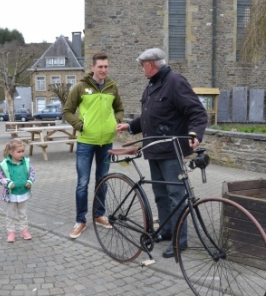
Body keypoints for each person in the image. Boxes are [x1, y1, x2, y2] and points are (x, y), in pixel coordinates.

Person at [116, 48, 208, 258]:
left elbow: (197, 112)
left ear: (151, 64)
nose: (141, 70)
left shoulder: (175, 82)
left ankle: (179, 240)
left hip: (171, 151)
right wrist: (130, 126)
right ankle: (166, 231)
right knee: (160, 195)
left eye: (142, 66)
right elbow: (150, 117)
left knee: (176, 196)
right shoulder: (151, 86)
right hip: (154, 150)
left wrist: (195, 133)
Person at [63, 52, 124, 239]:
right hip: (86, 142)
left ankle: (99, 215)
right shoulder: (81, 87)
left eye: (106, 66)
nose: (104, 70)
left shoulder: (112, 87)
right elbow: (67, 111)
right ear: (92, 67)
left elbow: (119, 109)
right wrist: (80, 125)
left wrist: (116, 122)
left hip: (106, 142)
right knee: (83, 183)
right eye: (100, 66)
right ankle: (80, 220)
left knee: (102, 180)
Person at [0, 139, 35, 243]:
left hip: (23, 193)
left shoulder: (26, 162)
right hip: (11, 195)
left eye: (23, 151)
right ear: (10, 152)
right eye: (19, 151)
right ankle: (11, 232)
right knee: (10, 215)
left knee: (23, 214)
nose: (22, 154)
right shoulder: (4, 164)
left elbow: (32, 173)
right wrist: (7, 183)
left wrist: (30, 181)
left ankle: (24, 230)